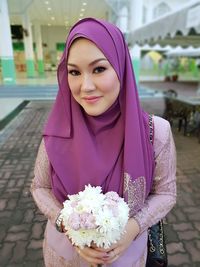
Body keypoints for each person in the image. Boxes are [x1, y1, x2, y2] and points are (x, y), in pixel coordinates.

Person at [31, 18, 176, 267]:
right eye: (74, 72)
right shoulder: (59, 131)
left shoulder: (155, 131)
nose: (85, 86)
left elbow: (166, 193)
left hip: (126, 256)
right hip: (63, 255)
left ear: (120, 67)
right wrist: (67, 224)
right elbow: (39, 187)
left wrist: (132, 228)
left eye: (99, 69)